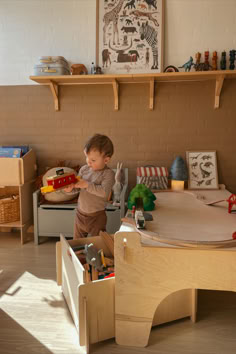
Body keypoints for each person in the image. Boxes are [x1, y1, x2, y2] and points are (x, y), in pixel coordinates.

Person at [64, 134, 115, 239]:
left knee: (98, 245)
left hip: (97, 217)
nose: (88, 162)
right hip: (80, 214)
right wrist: (70, 189)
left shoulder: (108, 174)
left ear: (106, 160)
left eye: (93, 160)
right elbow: (78, 188)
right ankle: (79, 255)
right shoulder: (84, 169)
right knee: (77, 245)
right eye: (87, 157)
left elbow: (104, 193)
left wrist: (87, 185)